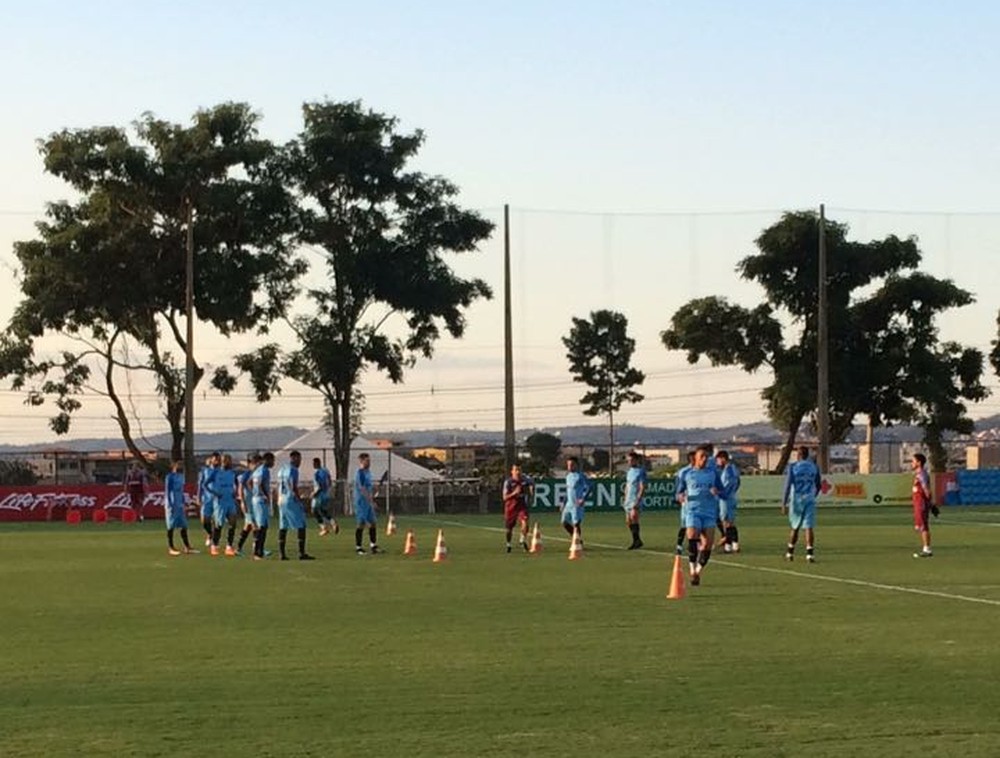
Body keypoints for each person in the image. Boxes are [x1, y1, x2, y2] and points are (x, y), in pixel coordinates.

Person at [676, 445, 724, 585]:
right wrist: (680, 497)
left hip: (709, 512)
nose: (704, 459)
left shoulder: (713, 473)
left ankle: (698, 570)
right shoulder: (687, 474)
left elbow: (722, 490)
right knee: (692, 536)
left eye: (706, 457)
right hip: (692, 511)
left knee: (708, 544)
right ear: (695, 459)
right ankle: (692, 570)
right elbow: (679, 491)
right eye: (701, 457)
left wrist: (717, 491)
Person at [781, 446, 822, 563]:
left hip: (796, 500)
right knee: (809, 526)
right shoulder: (814, 467)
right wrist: (813, 495)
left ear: (798, 455)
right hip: (809, 498)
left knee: (795, 526)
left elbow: (788, 485)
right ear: (807, 455)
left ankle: (790, 552)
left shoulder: (793, 467)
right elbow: (818, 485)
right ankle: (810, 554)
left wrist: (784, 503)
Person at [276, 450, 314, 561]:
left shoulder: (282, 469)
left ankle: (281, 554)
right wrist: (299, 499)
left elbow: (279, 485)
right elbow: (293, 486)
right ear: (293, 458)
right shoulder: (293, 470)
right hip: (290, 499)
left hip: (281, 499)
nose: (299, 462)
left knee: (283, 526)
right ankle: (301, 553)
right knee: (301, 524)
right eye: (298, 459)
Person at [210, 454, 240, 557]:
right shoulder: (216, 472)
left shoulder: (232, 473)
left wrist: (235, 493)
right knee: (219, 525)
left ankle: (229, 547)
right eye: (226, 461)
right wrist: (215, 493)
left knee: (233, 523)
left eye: (229, 461)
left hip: (230, 501)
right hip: (220, 502)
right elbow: (205, 484)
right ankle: (214, 545)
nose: (228, 462)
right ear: (221, 461)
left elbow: (236, 484)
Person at [164, 460, 196, 555]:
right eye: (179, 465)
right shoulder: (169, 477)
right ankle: (171, 547)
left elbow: (181, 491)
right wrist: (170, 504)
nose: (181, 467)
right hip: (172, 504)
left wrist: (184, 502)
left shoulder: (181, 477)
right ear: (174, 466)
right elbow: (167, 491)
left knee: (184, 525)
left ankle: (187, 547)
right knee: (171, 526)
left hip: (179, 504)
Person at [501, 463, 534, 552]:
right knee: (509, 528)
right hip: (510, 507)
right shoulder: (508, 482)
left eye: (519, 470)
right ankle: (508, 544)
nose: (518, 472)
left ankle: (522, 540)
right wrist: (514, 493)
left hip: (521, 505)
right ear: (512, 472)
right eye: (516, 470)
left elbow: (531, 483)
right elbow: (504, 497)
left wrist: (531, 489)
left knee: (525, 522)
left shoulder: (524, 480)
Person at [911, 453, 938, 558]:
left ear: (919, 462)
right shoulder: (918, 474)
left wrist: (931, 505)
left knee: (923, 526)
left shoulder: (922, 475)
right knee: (920, 526)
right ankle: (926, 548)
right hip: (918, 503)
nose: (911, 464)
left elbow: (926, 490)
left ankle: (927, 549)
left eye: (913, 461)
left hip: (921, 504)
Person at [249, 452, 275, 560]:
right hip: (261, 500)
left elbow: (250, 482)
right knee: (262, 527)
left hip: (256, 499)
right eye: (272, 460)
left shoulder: (257, 470)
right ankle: (257, 552)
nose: (273, 463)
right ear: (267, 460)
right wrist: (265, 496)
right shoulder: (264, 470)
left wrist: (254, 493)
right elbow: (259, 484)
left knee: (263, 526)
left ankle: (259, 551)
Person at [353, 452, 379, 555]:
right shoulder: (360, 473)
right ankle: (358, 547)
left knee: (373, 523)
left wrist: (374, 489)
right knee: (361, 524)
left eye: (369, 460)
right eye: (367, 461)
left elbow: (368, 487)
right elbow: (362, 489)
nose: (369, 462)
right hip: (361, 502)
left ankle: (373, 545)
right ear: (361, 461)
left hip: (368, 501)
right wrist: (371, 501)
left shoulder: (368, 472)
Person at [715, 450, 742, 553]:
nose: (717, 462)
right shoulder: (731, 469)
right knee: (730, 522)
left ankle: (729, 546)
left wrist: (720, 493)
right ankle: (734, 544)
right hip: (729, 498)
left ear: (722, 459)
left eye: (718, 459)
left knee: (727, 522)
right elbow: (738, 482)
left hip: (726, 499)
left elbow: (730, 484)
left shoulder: (729, 470)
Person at [562, 456, 591, 547]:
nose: (569, 467)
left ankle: (577, 542)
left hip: (576, 504)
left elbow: (590, 487)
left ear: (576, 465)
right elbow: (568, 490)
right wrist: (563, 502)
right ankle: (575, 537)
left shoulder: (580, 476)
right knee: (564, 522)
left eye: (571, 465)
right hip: (568, 504)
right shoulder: (568, 476)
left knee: (576, 523)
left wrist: (583, 498)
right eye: (568, 465)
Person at [623, 451, 647, 550]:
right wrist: (625, 498)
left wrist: (638, 499)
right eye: (628, 460)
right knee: (628, 521)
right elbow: (628, 486)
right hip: (628, 499)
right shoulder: (629, 472)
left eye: (631, 460)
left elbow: (642, 487)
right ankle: (637, 540)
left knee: (634, 517)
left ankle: (636, 541)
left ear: (636, 460)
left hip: (635, 499)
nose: (629, 462)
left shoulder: (641, 471)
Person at [235, 453, 258, 555]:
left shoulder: (257, 473)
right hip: (248, 504)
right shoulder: (247, 474)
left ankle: (238, 548)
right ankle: (257, 549)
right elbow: (240, 489)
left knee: (248, 526)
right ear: (249, 463)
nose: (257, 465)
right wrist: (243, 502)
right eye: (254, 463)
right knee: (255, 525)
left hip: (253, 504)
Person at [674, 451, 695, 554]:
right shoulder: (684, 471)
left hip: (698, 503)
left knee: (696, 525)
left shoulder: (702, 471)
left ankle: (695, 545)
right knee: (684, 524)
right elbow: (679, 486)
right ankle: (679, 545)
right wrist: (678, 496)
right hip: (687, 502)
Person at [197, 452, 221, 547]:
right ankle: (209, 534)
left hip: (217, 499)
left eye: (218, 460)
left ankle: (215, 540)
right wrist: (198, 497)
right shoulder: (205, 471)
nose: (217, 461)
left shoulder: (220, 471)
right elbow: (200, 484)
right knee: (204, 520)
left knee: (217, 521)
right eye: (216, 459)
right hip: (206, 499)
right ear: (211, 459)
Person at [311, 457, 338, 537]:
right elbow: (329, 481)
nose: (313, 465)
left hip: (319, 495)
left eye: (313, 463)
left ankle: (324, 528)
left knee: (314, 511)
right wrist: (328, 490)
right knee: (323, 511)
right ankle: (333, 523)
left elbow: (319, 486)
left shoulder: (316, 473)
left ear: (316, 463)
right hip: (326, 494)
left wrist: (314, 493)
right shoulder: (325, 471)